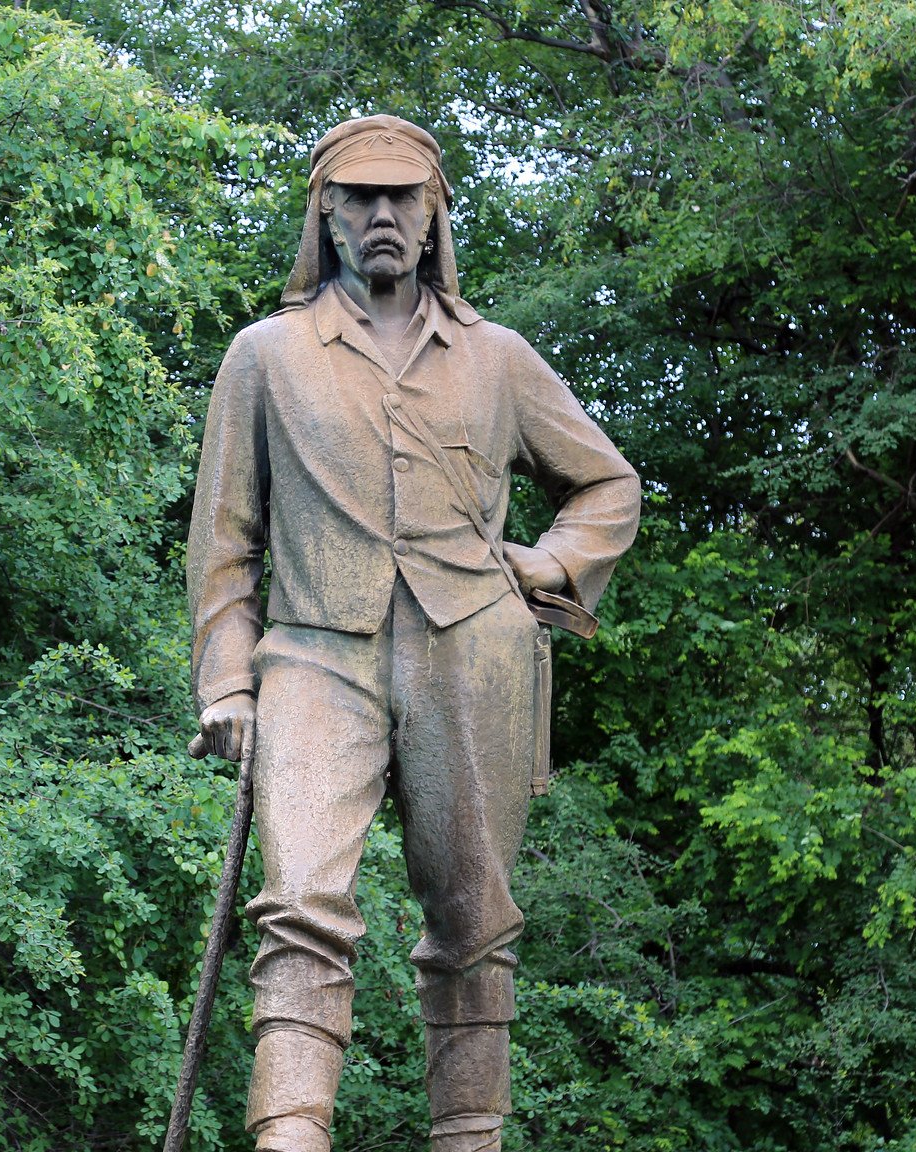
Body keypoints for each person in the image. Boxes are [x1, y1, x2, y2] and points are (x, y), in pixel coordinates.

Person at [186, 114, 641, 1152]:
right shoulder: (265, 355)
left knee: (474, 923)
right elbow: (222, 541)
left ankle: (468, 1139)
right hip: (312, 653)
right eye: (358, 196)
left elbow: (607, 484)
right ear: (326, 215)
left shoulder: (499, 361)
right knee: (298, 901)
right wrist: (226, 682)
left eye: (402, 195)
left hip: (471, 657)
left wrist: (551, 563)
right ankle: (289, 1135)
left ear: (434, 213)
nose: (381, 213)